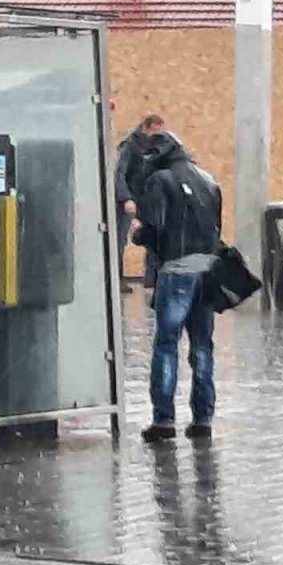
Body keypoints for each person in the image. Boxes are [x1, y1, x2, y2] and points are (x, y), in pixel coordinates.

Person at [131, 132, 223, 443]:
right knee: (202, 345)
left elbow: (155, 230)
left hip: (177, 271)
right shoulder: (209, 180)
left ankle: (164, 419)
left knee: (167, 344)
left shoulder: (161, 180)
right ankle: (203, 418)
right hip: (208, 270)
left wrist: (138, 233)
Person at [116, 114, 166, 292]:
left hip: (146, 200)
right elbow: (120, 173)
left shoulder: (156, 147)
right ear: (146, 127)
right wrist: (126, 198)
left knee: (153, 237)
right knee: (120, 241)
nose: (158, 135)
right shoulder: (130, 146)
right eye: (155, 130)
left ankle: (151, 279)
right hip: (129, 200)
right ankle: (117, 279)